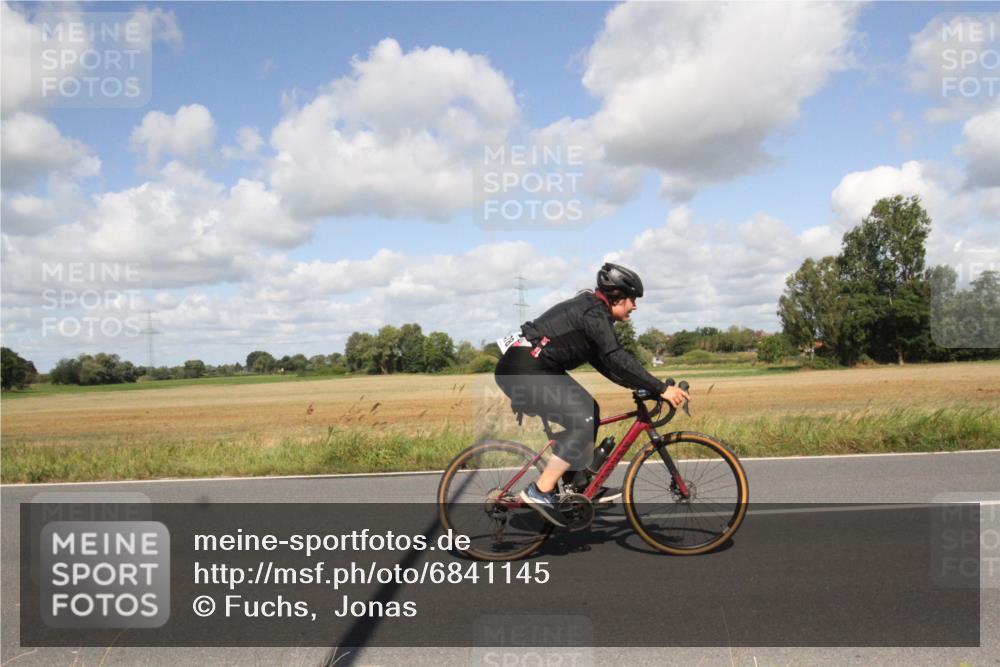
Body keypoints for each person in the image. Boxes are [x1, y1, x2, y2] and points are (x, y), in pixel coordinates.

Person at [494, 262, 690, 526]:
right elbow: (616, 357)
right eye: (632, 300)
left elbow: (609, 365)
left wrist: (644, 387)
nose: (634, 306)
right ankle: (540, 490)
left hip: (533, 365)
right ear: (616, 297)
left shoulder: (595, 315)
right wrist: (661, 388)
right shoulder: (593, 313)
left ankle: (577, 483)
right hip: (523, 368)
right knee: (583, 418)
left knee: (590, 410)